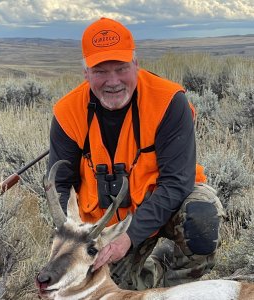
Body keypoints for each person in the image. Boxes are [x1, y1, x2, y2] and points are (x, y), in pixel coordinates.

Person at [48, 17, 224, 290]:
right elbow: (59, 183)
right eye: (100, 71)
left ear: (136, 64)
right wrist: (70, 232)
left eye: (121, 68)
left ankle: (176, 288)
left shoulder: (168, 101)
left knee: (201, 215)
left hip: (164, 204)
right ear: (85, 73)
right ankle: (151, 273)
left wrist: (130, 236)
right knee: (109, 288)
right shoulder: (67, 112)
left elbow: (177, 181)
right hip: (106, 225)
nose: (113, 81)